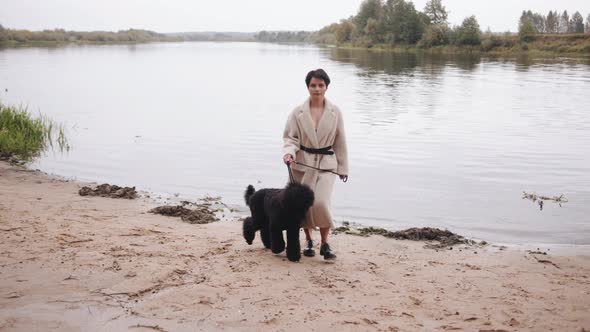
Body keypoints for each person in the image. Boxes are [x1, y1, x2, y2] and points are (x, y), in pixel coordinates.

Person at [282, 68, 348, 260]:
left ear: (326, 87)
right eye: (313, 85)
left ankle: (325, 243)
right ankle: (309, 240)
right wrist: (288, 153)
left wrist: (343, 168)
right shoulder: (297, 112)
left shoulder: (336, 112)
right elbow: (290, 139)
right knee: (302, 205)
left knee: (320, 203)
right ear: (308, 87)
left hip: (327, 164)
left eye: (321, 85)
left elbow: (340, 140)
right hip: (302, 164)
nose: (317, 89)